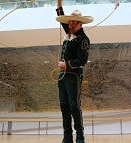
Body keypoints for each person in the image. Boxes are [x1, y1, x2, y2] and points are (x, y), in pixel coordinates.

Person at [55, 0, 94, 143]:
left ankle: (80, 136)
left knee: (74, 105)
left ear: (80, 24)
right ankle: (67, 137)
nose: (70, 25)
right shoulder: (69, 34)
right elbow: (61, 19)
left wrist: (66, 64)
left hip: (74, 75)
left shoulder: (83, 39)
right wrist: (59, 4)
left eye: (73, 23)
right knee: (64, 106)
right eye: (69, 22)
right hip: (62, 76)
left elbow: (82, 60)